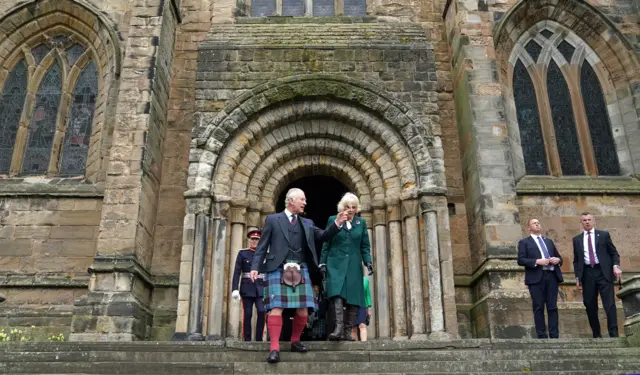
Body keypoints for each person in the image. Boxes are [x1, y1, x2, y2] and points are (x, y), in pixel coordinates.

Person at [250, 188, 347, 364]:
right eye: (302, 199)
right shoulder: (273, 220)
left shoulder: (307, 223)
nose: (305, 203)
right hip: (277, 268)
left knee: (303, 310)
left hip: (300, 269)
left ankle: (295, 341)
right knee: (276, 308)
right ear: (291, 201)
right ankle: (274, 347)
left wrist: (337, 224)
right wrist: (256, 267)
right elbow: (262, 246)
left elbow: (324, 236)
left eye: (305, 200)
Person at [319, 192, 373, 341]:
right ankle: (338, 328)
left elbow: (365, 246)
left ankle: (348, 331)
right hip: (335, 263)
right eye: (348, 207)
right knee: (336, 294)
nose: (350, 209)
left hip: (354, 265)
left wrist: (367, 261)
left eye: (354, 207)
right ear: (342, 207)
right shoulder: (333, 220)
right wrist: (322, 262)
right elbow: (326, 242)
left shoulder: (360, 223)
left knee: (354, 297)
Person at [573, 212, 622, 338]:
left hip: (603, 272)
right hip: (587, 274)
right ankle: (596, 333)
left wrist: (615, 266)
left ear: (594, 220)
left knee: (609, 304)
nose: (587, 222)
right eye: (584, 220)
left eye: (589, 219)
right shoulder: (577, 239)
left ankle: (613, 333)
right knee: (589, 304)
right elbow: (577, 260)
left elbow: (614, 253)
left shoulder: (604, 235)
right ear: (581, 222)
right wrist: (578, 276)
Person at [517, 218, 563, 338]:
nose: (537, 224)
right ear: (529, 228)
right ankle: (541, 335)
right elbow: (521, 260)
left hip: (552, 276)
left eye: (538, 222)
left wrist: (557, 260)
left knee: (552, 306)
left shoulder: (548, 241)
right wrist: (537, 261)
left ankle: (554, 336)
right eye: (534, 223)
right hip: (536, 278)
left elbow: (559, 258)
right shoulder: (524, 242)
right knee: (538, 307)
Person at [231, 229, 265, 341]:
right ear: (249, 240)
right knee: (248, 314)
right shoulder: (243, 253)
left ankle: (259, 339)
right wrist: (234, 289)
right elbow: (237, 272)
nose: (254, 241)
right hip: (247, 288)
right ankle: (247, 339)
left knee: (261, 311)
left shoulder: (265, 254)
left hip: (261, 288)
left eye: (257, 239)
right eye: (253, 239)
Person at [352, 276, 372, 341]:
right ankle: (355, 347)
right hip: (352, 305)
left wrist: (369, 308)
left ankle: (364, 345)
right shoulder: (349, 279)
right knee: (353, 328)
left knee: (362, 325)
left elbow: (367, 294)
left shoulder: (365, 280)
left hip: (363, 305)